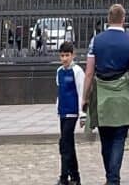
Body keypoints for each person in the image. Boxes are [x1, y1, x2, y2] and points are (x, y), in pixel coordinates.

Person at [86, 3, 129, 185]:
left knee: (105, 140)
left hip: (102, 97)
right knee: (119, 138)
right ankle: (113, 179)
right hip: (123, 98)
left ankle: (111, 178)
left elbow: (89, 72)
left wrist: (84, 96)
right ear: (123, 20)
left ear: (108, 19)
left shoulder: (96, 41)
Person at [59, 41, 86, 185]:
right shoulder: (59, 71)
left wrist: (82, 113)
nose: (64, 59)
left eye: (67, 55)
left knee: (65, 144)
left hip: (73, 112)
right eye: (62, 55)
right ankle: (73, 176)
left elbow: (81, 92)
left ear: (73, 55)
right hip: (63, 111)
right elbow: (60, 91)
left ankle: (66, 176)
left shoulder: (77, 71)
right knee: (66, 144)